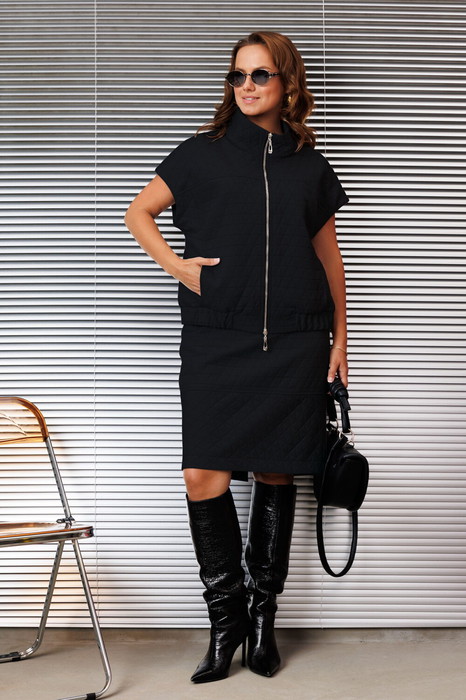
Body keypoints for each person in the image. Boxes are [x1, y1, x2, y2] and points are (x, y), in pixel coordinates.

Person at [124, 30, 349, 683]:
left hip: (296, 341)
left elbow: (329, 255)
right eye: (237, 76)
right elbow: (139, 213)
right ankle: (224, 624)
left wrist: (341, 339)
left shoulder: (309, 164)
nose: (246, 86)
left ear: (287, 83)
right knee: (204, 475)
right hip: (217, 339)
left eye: (260, 75)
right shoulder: (202, 153)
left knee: (277, 473)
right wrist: (179, 267)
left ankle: (261, 620)